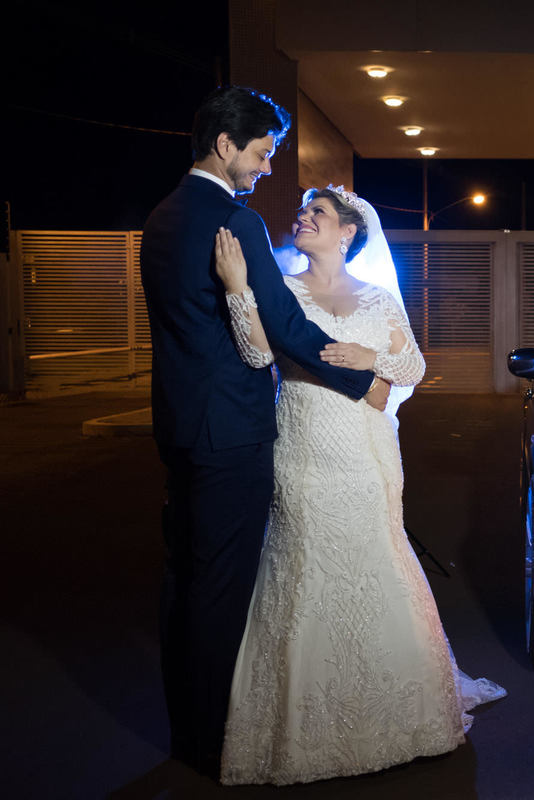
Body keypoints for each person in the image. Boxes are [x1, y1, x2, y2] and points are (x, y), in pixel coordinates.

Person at [214, 186, 505, 785]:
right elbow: (257, 355)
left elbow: (413, 367)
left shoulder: (377, 297)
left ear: (348, 233)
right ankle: (304, 727)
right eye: (303, 211)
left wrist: (367, 357)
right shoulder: (283, 289)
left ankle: (401, 713)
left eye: (317, 212)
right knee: (306, 565)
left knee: (377, 562)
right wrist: (239, 288)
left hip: (368, 455)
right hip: (302, 447)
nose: (303, 217)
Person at [139, 86, 389, 779]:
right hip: (231, 432)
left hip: (179, 425)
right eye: (262, 151)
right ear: (226, 145)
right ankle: (212, 743)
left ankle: (183, 731)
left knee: (183, 577)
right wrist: (359, 379)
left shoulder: (161, 216)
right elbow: (281, 325)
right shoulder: (234, 221)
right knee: (221, 588)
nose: (267, 166)